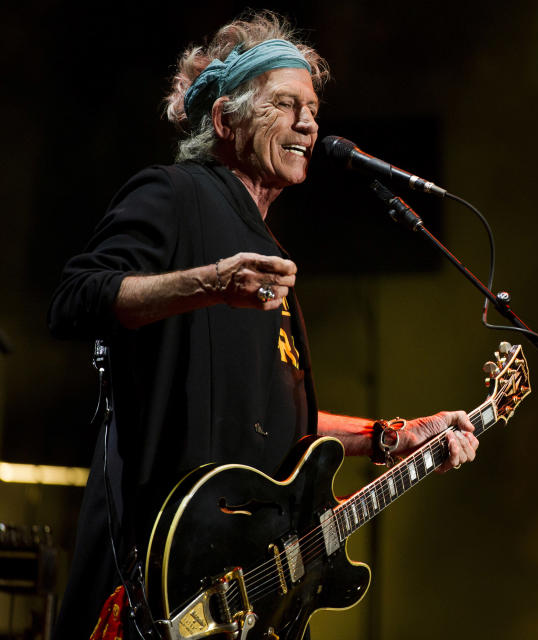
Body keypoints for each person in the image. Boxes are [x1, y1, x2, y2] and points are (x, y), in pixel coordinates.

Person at [47, 11, 479, 638]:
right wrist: (211, 281)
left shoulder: (267, 252)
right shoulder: (176, 195)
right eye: (285, 104)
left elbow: (281, 432)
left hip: (244, 599)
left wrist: (393, 435)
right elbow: (74, 298)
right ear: (225, 120)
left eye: (312, 107)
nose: (309, 122)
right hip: (156, 583)